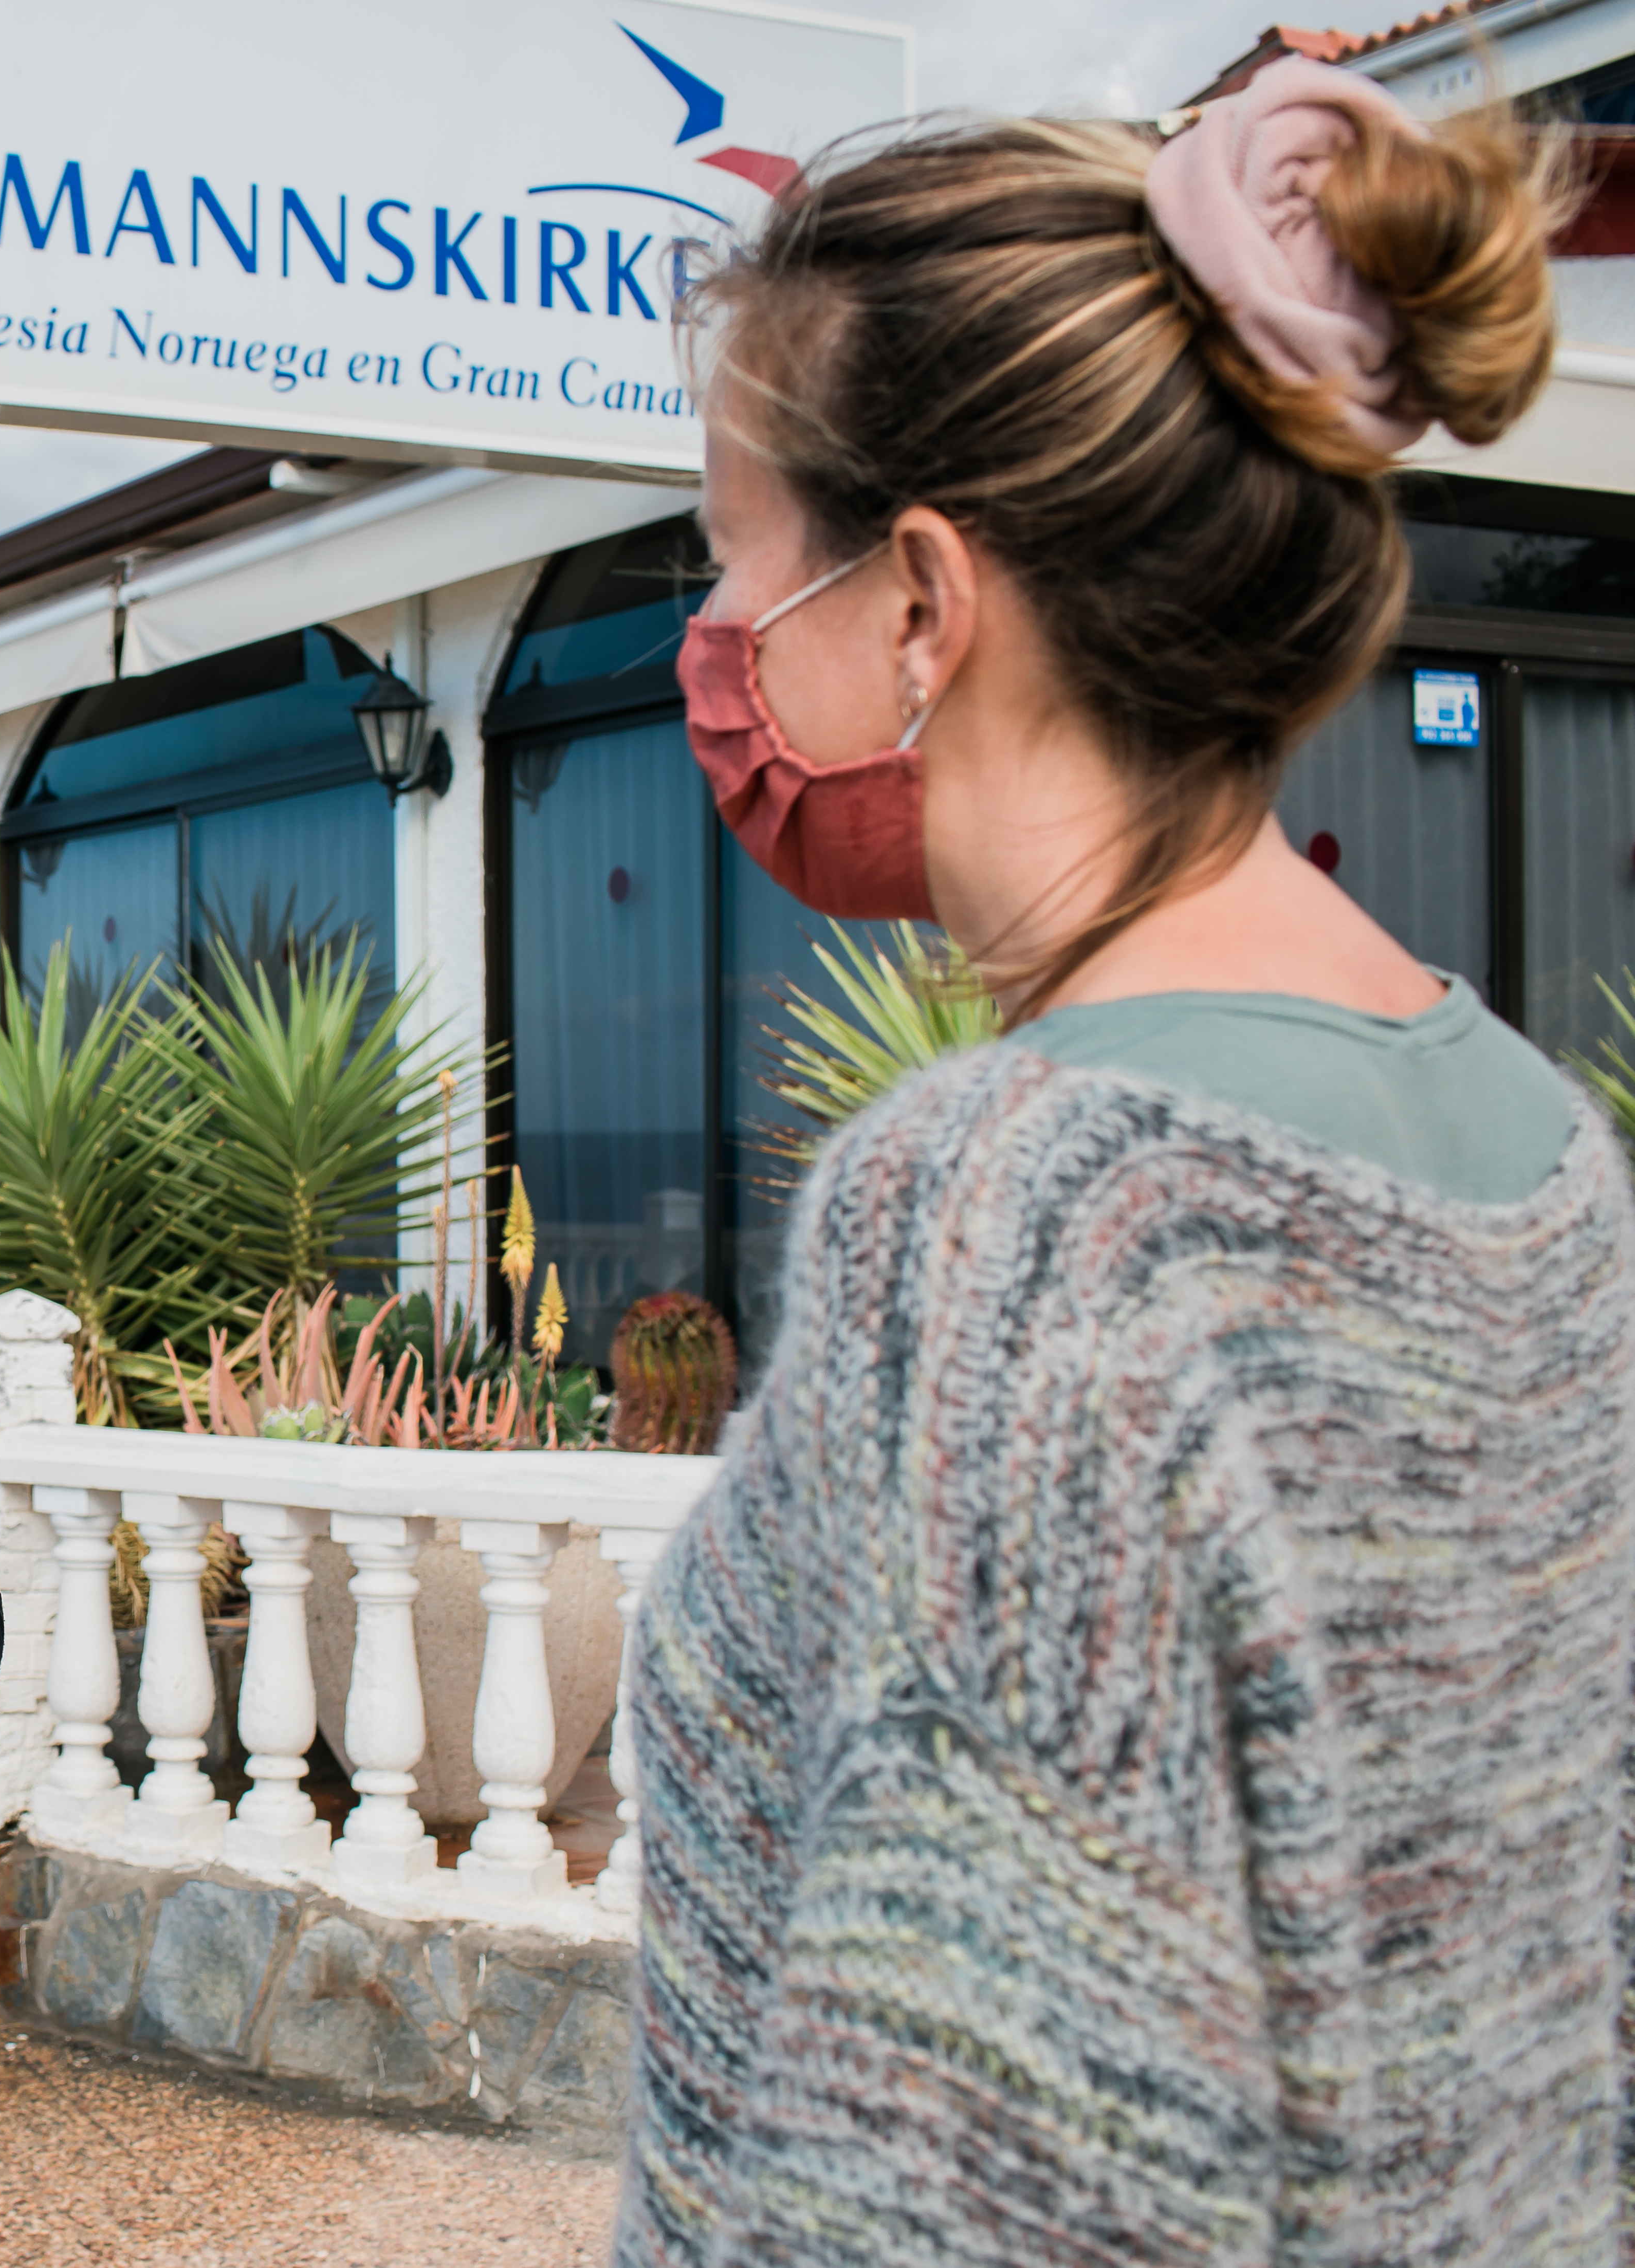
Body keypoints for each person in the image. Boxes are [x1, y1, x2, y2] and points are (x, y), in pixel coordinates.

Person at [621, 59, 1633, 2264]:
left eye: (733, 563)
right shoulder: (1543, 1165)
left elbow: (963, 2178)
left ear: (915, 603)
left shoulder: (1016, 1207)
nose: (720, 651)